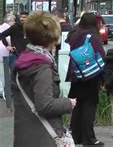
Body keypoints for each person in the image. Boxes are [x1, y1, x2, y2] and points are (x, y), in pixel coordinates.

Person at [11, 11, 76, 146]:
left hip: (24, 134)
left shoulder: (22, 62)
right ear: (52, 38)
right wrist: (68, 103)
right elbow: (45, 105)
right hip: (43, 138)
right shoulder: (42, 67)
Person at [66, 12, 105, 145]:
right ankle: (89, 139)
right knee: (89, 107)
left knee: (78, 107)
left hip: (76, 75)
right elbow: (101, 55)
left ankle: (76, 137)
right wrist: (104, 78)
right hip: (90, 76)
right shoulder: (92, 37)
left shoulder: (75, 35)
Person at [0, 14, 15, 99]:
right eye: (13, 21)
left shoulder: (1, 27)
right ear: (10, 21)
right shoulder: (7, 28)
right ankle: (4, 91)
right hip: (4, 53)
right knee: (5, 73)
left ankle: (3, 90)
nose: (14, 23)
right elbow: (9, 40)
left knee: (2, 72)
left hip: (2, 53)